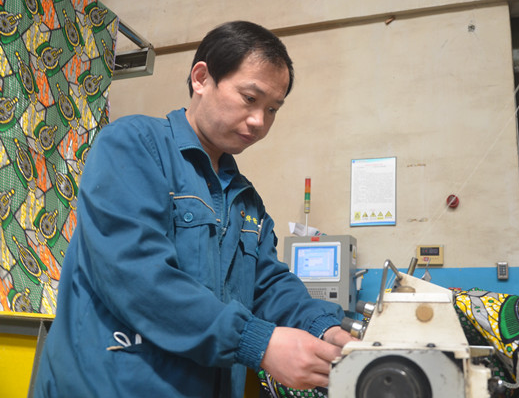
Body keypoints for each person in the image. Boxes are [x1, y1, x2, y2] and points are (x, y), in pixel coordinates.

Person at [33, 20, 353, 398]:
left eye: (272, 109)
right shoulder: (134, 146)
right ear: (201, 78)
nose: (259, 121)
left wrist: (325, 328)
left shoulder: (246, 200)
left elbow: (268, 284)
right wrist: (258, 342)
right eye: (250, 98)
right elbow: (137, 276)